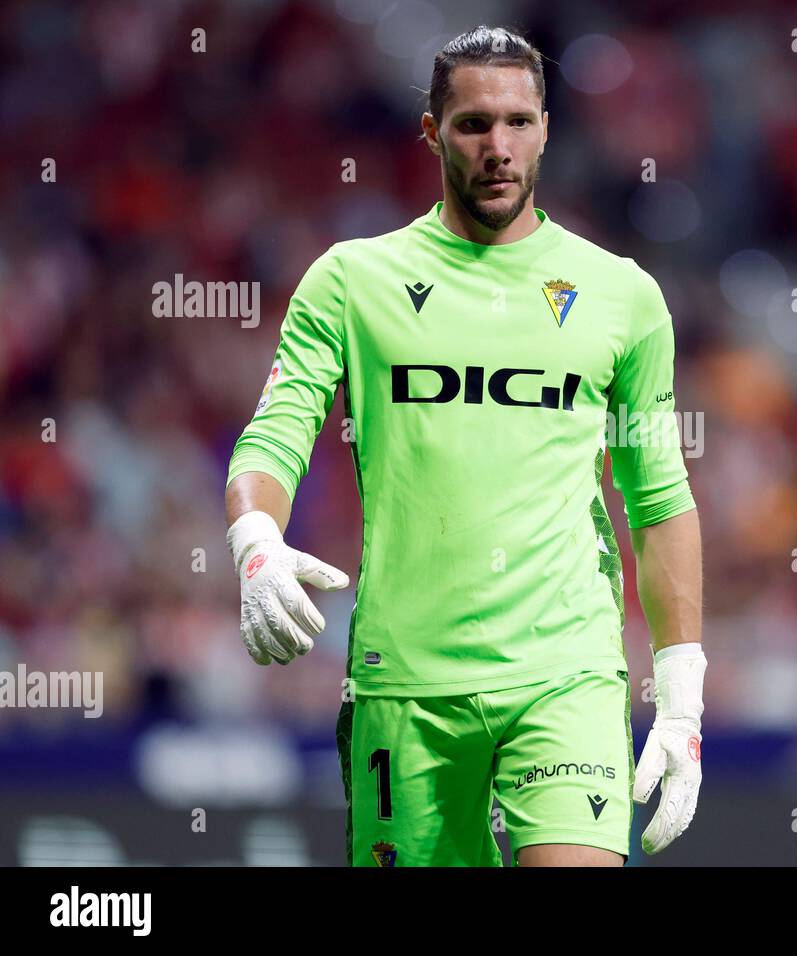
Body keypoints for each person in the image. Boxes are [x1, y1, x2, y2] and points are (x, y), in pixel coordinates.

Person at [223, 25, 704, 867]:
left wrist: (684, 694)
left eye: (519, 122)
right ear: (431, 131)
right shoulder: (351, 280)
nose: (499, 147)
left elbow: (658, 498)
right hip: (403, 681)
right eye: (474, 124)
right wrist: (255, 539)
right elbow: (277, 432)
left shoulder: (623, 295)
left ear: (547, 128)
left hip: (568, 673)